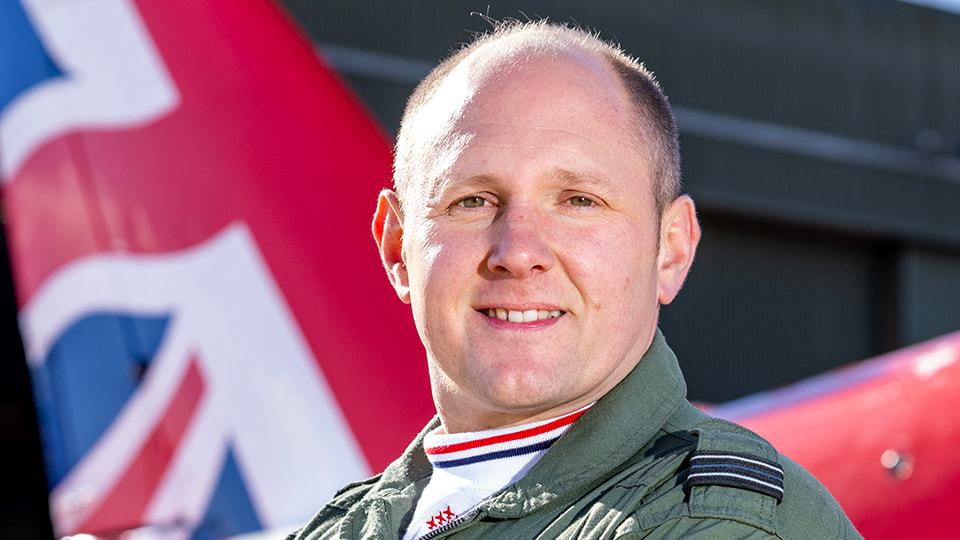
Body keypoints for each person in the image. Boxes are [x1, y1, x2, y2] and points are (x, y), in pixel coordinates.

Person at [289, 20, 861, 539]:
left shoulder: (721, 524)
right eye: (472, 201)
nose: (518, 253)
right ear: (397, 249)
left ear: (670, 250)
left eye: (579, 201)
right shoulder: (341, 528)